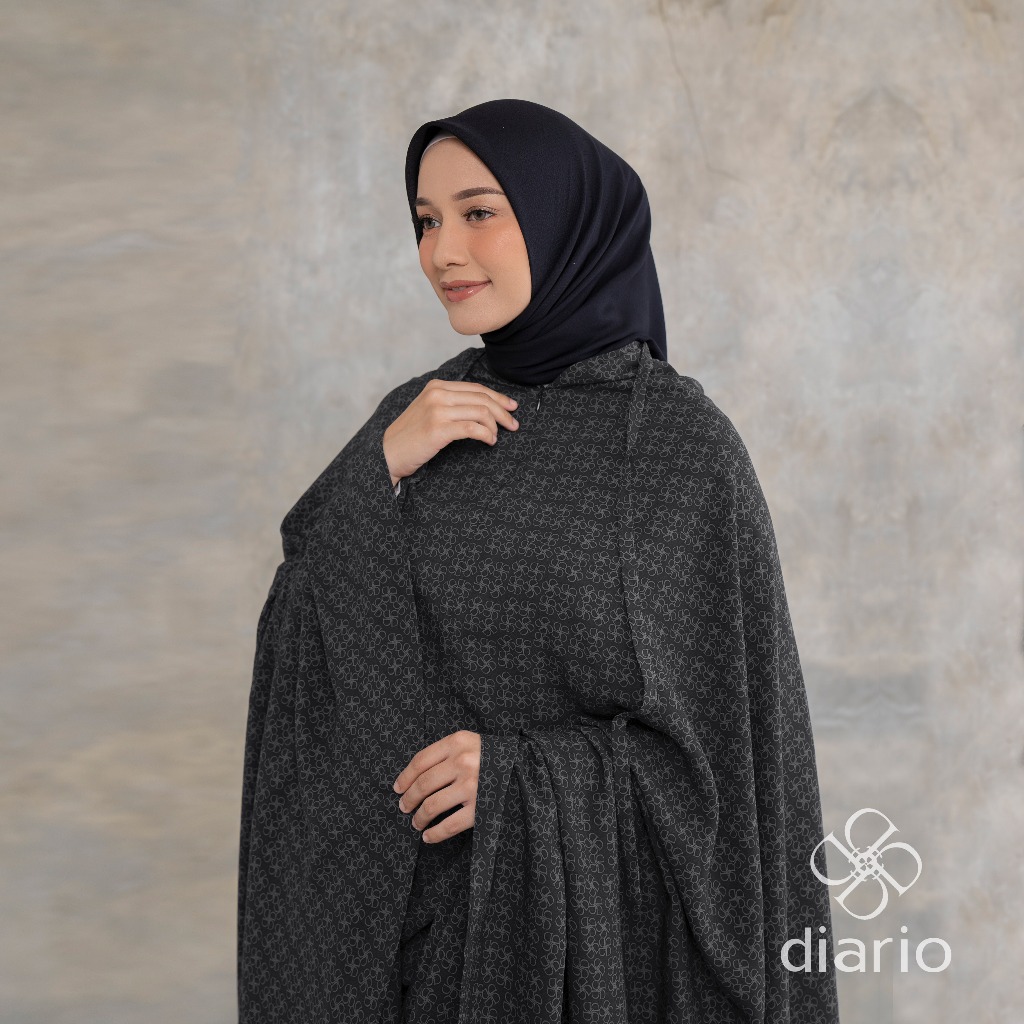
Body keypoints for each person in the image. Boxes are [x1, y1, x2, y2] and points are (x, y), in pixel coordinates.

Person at [237, 98, 841, 1024]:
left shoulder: (678, 449)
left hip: (591, 969)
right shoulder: (420, 415)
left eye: (479, 212)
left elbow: (727, 779)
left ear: (568, 219)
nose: (442, 252)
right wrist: (376, 466)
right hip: (414, 963)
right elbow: (305, 638)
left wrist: (522, 781)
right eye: (425, 221)